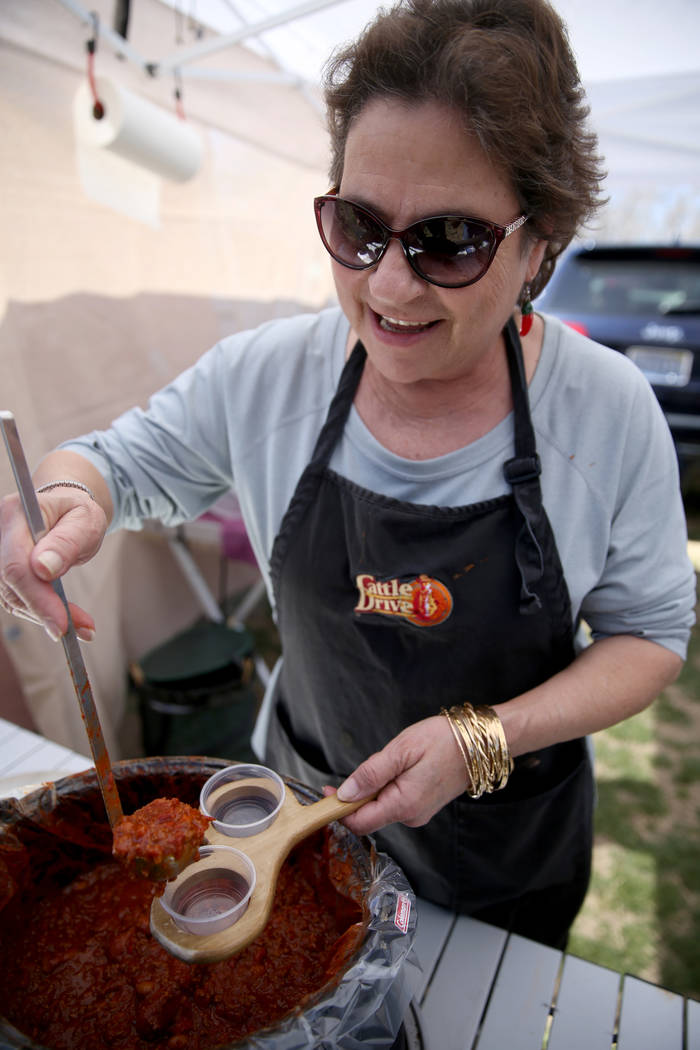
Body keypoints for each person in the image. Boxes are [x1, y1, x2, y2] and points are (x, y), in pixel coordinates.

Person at [0, 0, 695, 950]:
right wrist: (67, 500)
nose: (390, 286)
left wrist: (480, 739)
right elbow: (115, 465)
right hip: (291, 832)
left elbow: (648, 636)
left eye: (450, 242)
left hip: (502, 859)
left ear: (539, 247)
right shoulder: (268, 375)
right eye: (360, 225)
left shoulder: (606, 412)